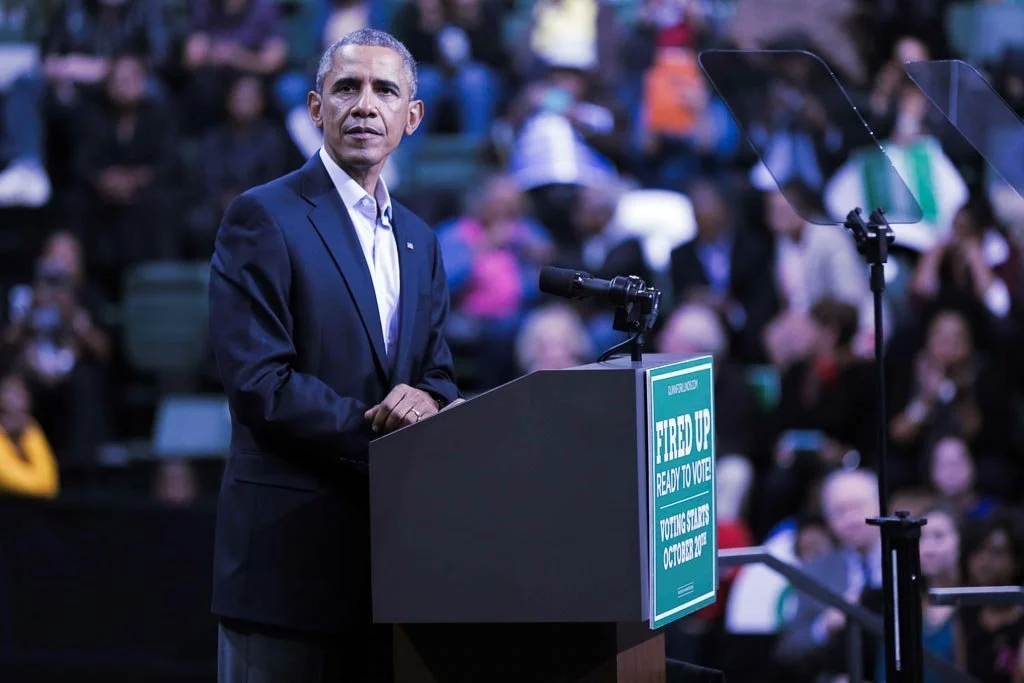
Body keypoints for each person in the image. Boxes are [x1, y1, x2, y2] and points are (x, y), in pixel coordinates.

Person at [207, 28, 462, 682]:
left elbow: (435, 373)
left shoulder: (420, 238)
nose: (364, 105)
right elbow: (260, 384)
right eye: (346, 87)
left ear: (412, 116)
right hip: (285, 571)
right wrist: (386, 424)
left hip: (395, 575)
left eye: (385, 90)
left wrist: (428, 399)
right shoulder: (262, 216)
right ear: (317, 108)